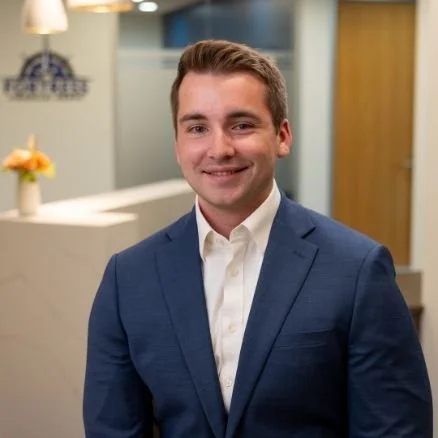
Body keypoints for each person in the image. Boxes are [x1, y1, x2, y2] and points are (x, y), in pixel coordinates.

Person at [83, 40, 433, 438]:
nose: (220, 148)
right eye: (198, 127)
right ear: (178, 145)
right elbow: (112, 429)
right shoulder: (128, 278)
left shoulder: (357, 269)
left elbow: (396, 430)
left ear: (282, 137)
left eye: (242, 125)